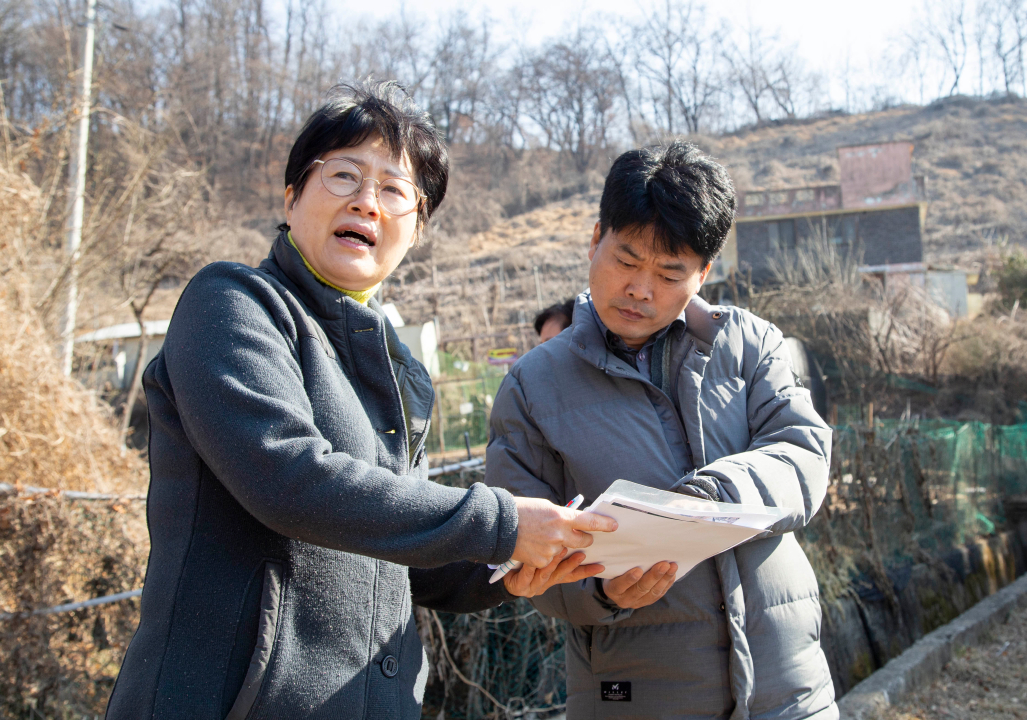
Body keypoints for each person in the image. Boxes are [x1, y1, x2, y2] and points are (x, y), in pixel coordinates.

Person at [105, 81, 615, 720]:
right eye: (344, 175)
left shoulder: (404, 373)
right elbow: (287, 476)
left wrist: (511, 568)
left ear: (417, 227)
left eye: (395, 190)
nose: (368, 202)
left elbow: (409, 562)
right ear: (292, 197)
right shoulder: (234, 304)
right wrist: (504, 523)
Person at [486, 142, 836, 719]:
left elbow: (803, 452)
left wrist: (712, 498)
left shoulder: (749, 345)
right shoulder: (532, 387)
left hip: (788, 689)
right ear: (595, 238)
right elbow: (522, 552)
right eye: (625, 260)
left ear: (703, 273)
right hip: (637, 694)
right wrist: (599, 591)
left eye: (670, 272)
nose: (640, 290)